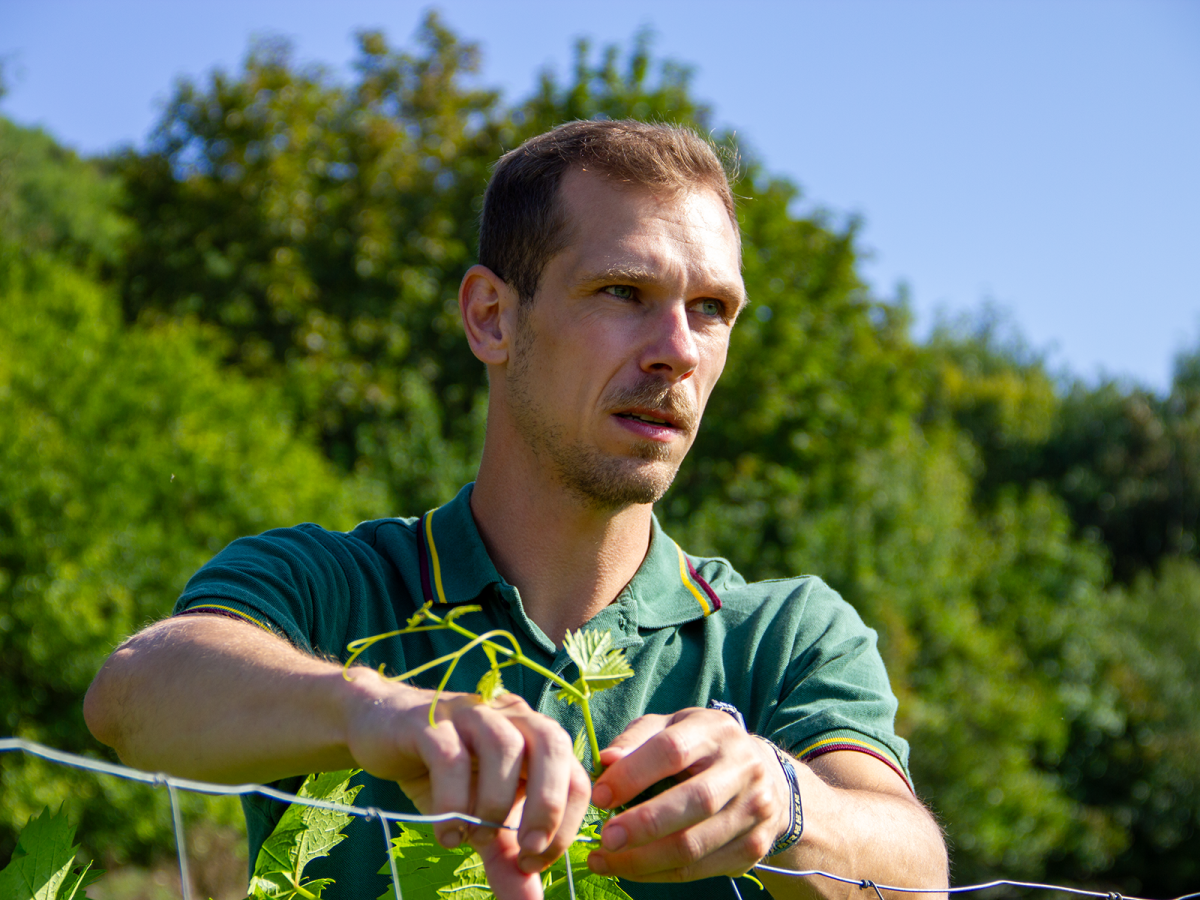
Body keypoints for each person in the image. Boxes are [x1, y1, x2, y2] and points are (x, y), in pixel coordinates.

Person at [85, 120, 948, 900]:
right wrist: (373, 713)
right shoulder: (337, 590)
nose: (678, 352)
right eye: (622, 292)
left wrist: (788, 803)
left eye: (711, 310)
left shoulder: (783, 636)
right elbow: (132, 694)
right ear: (491, 317)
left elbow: (916, 873)